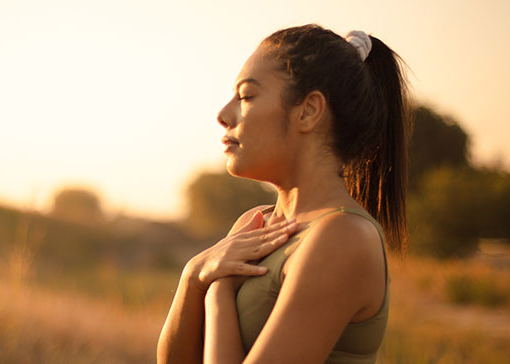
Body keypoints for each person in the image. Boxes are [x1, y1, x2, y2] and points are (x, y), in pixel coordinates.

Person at [157, 24, 409, 364]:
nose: (223, 115)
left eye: (245, 96)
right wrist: (194, 276)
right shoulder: (255, 223)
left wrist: (218, 290)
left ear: (308, 111)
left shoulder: (343, 236)